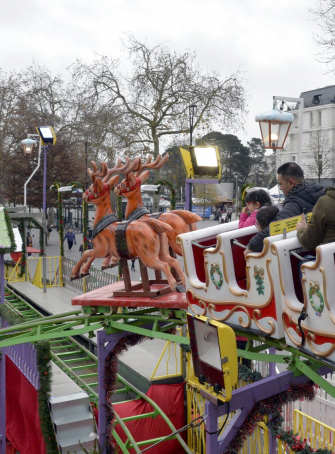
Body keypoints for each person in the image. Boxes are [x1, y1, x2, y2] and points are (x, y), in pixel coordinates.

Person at [244, 162, 326, 256]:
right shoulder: (320, 190)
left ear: (291, 182)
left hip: (315, 252)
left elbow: (279, 224)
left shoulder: (295, 201)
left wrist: (252, 245)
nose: (280, 188)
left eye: (280, 184)